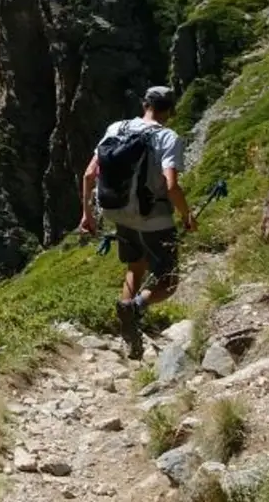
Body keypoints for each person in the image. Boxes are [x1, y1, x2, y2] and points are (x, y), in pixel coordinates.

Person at [78, 85, 193, 355]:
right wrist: (187, 215)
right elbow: (172, 185)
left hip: (116, 210)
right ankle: (136, 307)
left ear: (145, 104)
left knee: (135, 265)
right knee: (168, 280)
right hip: (152, 216)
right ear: (171, 109)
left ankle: (128, 334)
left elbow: (89, 175)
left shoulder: (117, 128)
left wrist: (87, 214)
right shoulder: (167, 137)